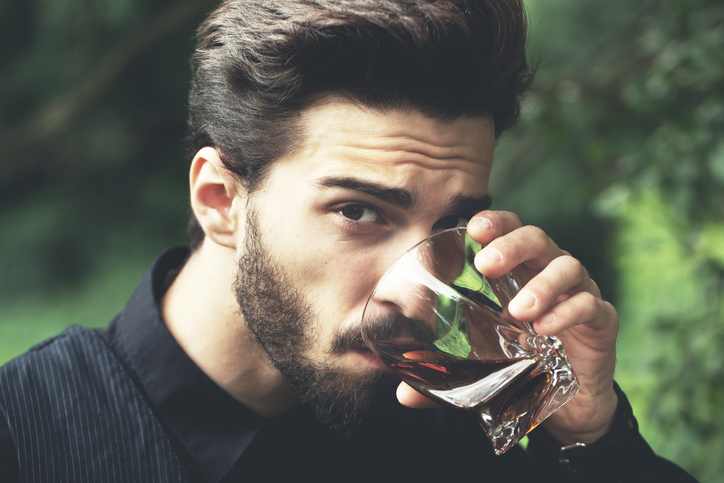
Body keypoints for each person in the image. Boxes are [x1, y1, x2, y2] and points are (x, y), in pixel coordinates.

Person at [0, 1, 697, 481]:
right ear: (220, 200)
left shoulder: (466, 433)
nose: (417, 297)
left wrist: (591, 435)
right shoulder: (23, 437)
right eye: (360, 211)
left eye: (449, 229)